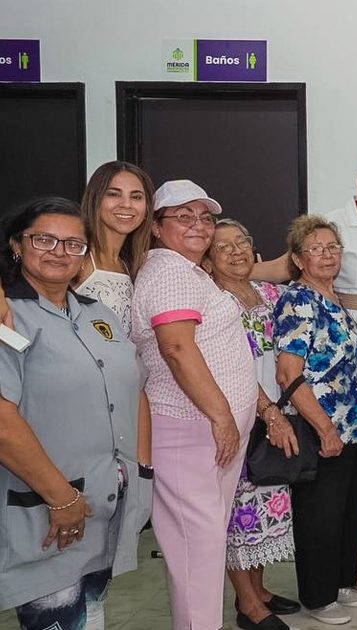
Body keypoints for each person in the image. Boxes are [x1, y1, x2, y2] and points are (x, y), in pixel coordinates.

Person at [252, 150, 357, 585]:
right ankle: (355, 552)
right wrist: (232, 267)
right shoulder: (336, 224)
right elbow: (285, 266)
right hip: (352, 335)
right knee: (351, 443)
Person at [0, 198, 151, 629]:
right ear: (17, 245)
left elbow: (135, 387)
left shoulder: (97, 314)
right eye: (43, 240)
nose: (59, 252)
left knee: (91, 611)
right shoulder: (9, 316)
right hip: (47, 510)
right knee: (60, 617)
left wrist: (142, 472)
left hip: (105, 504)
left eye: (73, 244)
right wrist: (61, 497)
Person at [130, 179, 256, 630]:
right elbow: (177, 348)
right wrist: (221, 416)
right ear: (156, 226)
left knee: (203, 545)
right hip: (189, 428)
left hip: (208, 432)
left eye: (205, 217)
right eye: (183, 216)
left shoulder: (190, 270)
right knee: (196, 548)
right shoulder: (168, 272)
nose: (198, 225)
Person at [273, 215, 357, 625]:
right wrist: (325, 428)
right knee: (319, 514)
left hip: (354, 427)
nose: (327, 255)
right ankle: (318, 597)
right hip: (323, 427)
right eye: (315, 249)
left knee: (347, 510)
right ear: (298, 259)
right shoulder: (299, 300)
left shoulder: (333, 297)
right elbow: (288, 373)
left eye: (333, 247)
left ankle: (339, 583)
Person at [206, 219, 300, 630]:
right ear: (207, 259)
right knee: (237, 513)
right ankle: (247, 603)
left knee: (264, 504)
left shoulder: (269, 293)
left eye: (242, 242)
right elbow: (235, 367)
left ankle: (258, 589)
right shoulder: (212, 301)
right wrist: (269, 412)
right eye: (223, 246)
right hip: (238, 416)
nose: (236, 251)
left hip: (275, 415)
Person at [74, 161, 156, 332]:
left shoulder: (133, 265)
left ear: (147, 207)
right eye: (113, 194)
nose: (126, 204)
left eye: (136, 197)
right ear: (95, 199)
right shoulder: (77, 257)